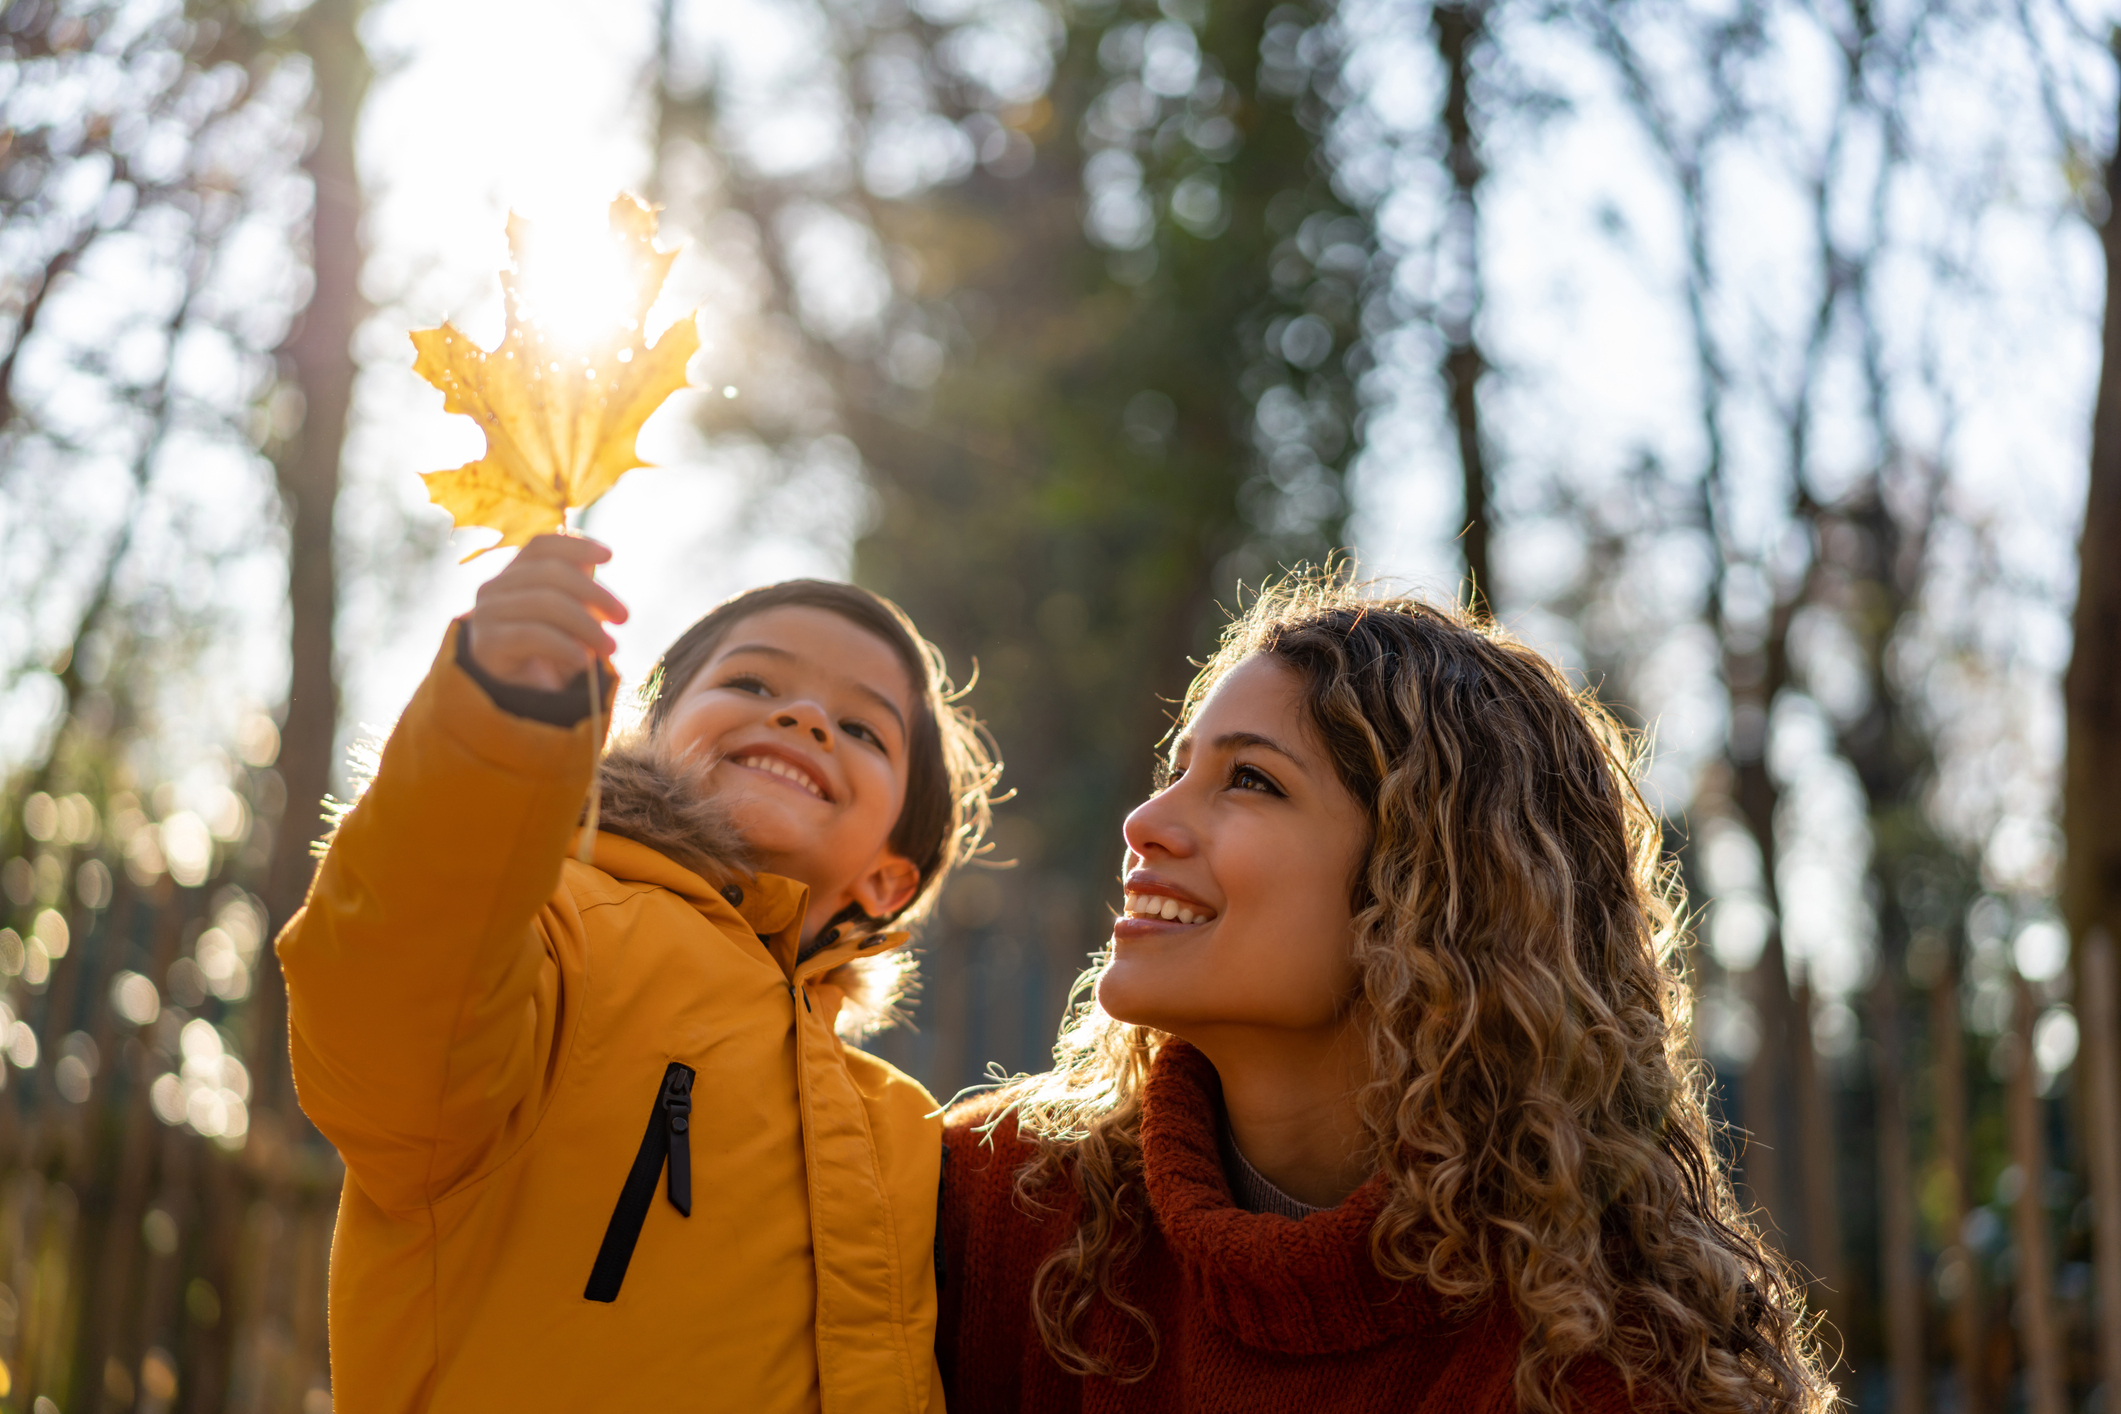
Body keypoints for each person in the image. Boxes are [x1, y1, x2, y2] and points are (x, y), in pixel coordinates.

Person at [938, 574, 1831, 1413]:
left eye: (1248, 779)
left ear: (1436, 889)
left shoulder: (1611, 1363)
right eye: (1177, 771)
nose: (1145, 822)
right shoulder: (993, 1206)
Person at [277, 533, 996, 1412]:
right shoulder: (557, 927)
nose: (805, 718)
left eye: (859, 727)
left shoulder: (906, 1129)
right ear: (651, 734)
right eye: (753, 683)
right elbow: (396, 990)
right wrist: (496, 733)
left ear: (889, 879)